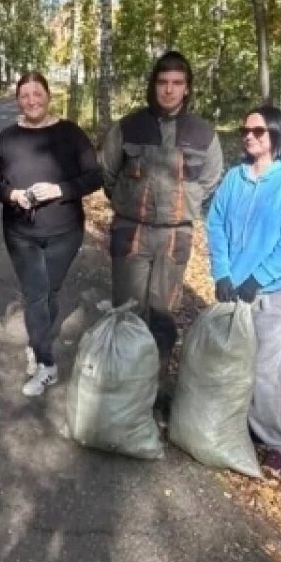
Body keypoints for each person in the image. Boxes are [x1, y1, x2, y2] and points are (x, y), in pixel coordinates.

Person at [100, 50, 224, 401]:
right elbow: (108, 173)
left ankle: (153, 391)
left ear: (187, 89)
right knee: (127, 309)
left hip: (175, 236)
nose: (169, 90)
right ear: (153, 85)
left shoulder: (203, 134)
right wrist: (128, 202)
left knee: (162, 312)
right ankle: (121, 390)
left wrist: (183, 204)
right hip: (131, 231)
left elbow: (211, 179)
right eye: (162, 82)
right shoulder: (128, 127)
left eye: (177, 84)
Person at [206, 105, 281, 477]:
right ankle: (235, 425)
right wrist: (223, 273)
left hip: (280, 289)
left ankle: (275, 445)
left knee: (266, 368)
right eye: (245, 130)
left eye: (258, 131)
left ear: (277, 134)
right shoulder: (236, 177)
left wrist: (259, 278)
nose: (249, 136)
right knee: (233, 357)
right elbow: (216, 222)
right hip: (235, 285)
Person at [0, 71, 102, 396]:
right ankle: (46, 364)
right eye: (25, 95)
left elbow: (95, 177)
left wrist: (58, 190)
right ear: (17, 100)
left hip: (65, 232)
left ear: (48, 96)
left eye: (38, 94)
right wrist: (12, 196)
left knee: (49, 293)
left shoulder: (70, 134)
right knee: (35, 294)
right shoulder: (7, 139)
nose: (32, 100)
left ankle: (37, 344)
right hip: (21, 233)